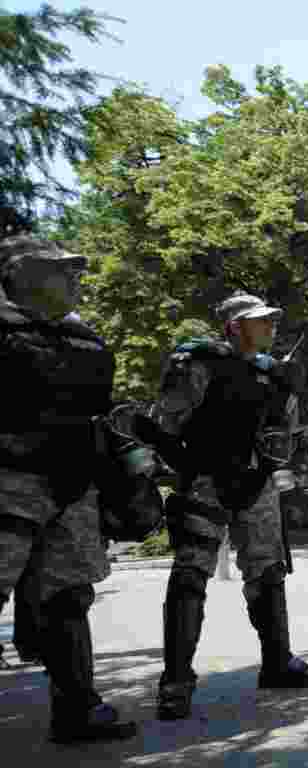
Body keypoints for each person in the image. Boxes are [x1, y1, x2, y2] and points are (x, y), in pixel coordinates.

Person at [135, 292, 308, 721]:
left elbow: (287, 430)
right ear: (235, 325)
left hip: (255, 483)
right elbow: (165, 421)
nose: (271, 327)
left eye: (273, 320)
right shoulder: (199, 363)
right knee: (191, 574)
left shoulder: (270, 372)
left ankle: (277, 663)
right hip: (205, 480)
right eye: (262, 321)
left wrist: (288, 395)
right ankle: (176, 683)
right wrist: (180, 466)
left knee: (268, 572)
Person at [0, 235, 144, 743]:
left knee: (68, 597)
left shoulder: (80, 338)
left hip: (69, 486)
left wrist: (127, 470)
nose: (76, 279)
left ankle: (78, 709)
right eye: (63, 271)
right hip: (8, 484)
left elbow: (100, 413)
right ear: (23, 274)